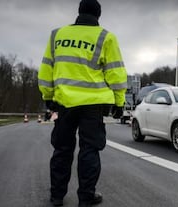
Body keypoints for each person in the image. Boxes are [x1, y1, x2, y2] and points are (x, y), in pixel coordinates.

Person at [37, 0, 127, 206]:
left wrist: (48, 97)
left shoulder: (57, 35)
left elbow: (46, 70)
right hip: (93, 105)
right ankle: (86, 197)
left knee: (62, 149)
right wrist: (119, 102)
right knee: (90, 150)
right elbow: (116, 74)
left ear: (78, 12)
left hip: (65, 102)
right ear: (98, 16)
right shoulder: (106, 37)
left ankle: (57, 196)